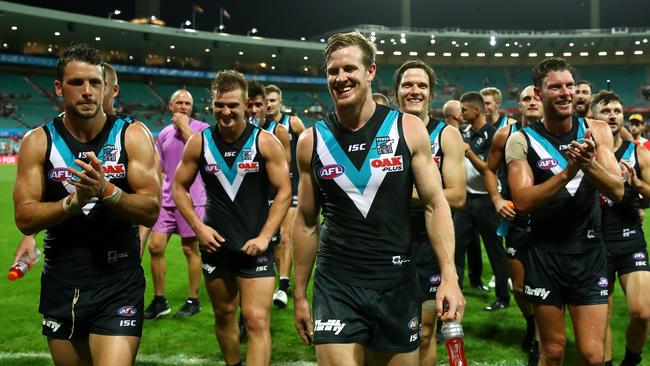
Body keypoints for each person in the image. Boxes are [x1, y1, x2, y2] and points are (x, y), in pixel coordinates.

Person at [292, 32, 464, 366]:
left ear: (370, 71)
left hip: (396, 282)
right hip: (336, 283)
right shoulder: (311, 141)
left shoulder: (408, 130)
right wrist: (299, 293)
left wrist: (449, 275)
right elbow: (306, 222)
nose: (340, 78)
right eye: (332, 71)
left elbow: (435, 203)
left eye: (349, 69)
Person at [12, 43, 161, 366]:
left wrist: (107, 192)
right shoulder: (38, 142)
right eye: (77, 83)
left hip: (119, 281)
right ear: (58, 87)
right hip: (62, 281)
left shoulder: (132, 135)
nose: (87, 91)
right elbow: (24, 218)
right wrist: (72, 202)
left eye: (95, 83)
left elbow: (152, 208)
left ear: (106, 87)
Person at [506, 57, 624, 365]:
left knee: (593, 355)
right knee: (554, 350)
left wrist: (589, 164)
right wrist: (568, 172)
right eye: (555, 87)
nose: (565, 92)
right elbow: (523, 201)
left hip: (589, 254)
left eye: (569, 85)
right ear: (538, 93)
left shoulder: (596, 131)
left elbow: (617, 190)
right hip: (544, 255)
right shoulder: (521, 140)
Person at [173, 70, 291, 366]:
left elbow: (285, 191)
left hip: (256, 247)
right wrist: (198, 228)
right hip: (216, 246)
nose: (225, 111)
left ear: (246, 104)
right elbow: (178, 187)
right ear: (212, 104)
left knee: (256, 320)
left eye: (233, 105)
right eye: (219, 105)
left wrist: (265, 236)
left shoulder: (264, 142)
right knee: (225, 316)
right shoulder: (199, 143)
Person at [393, 59, 466, 366]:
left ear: (431, 93)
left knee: (424, 331)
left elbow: (458, 195)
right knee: (388, 330)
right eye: (408, 84)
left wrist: (398, 195)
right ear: (396, 92)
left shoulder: (446, 135)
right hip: (387, 242)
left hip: (428, 244)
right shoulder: (382, 133)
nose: (415, 91)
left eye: (421, 85)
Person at [590, 90, 650, 366]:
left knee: (642, 313)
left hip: (630, 240)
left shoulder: (637, 152)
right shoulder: (583, 152)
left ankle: (631, 359)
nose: (613, 115)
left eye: (617, 110)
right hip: (595, 244)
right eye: (606, 111)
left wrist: (637, 185)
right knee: (601, 318)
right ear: (593, 118)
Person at [483, 85, 543, 363]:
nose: (532, 102)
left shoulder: (556, 131)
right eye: (526, 98)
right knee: (519, 287)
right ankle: (531, 322)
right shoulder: (505, 134)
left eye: (536, 98)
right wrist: (496, 199)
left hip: (550, 221)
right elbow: (488, 169)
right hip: (516, 220)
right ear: (518, 105)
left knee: (546, 285)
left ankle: (541, 341)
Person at [143, 89, 209, 320]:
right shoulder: (163, 134)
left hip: (192, 199)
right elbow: (159, 168)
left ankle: (193, 300)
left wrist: (184, 126)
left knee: (190, 249)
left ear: (192, 107)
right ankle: (160, 300)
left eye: (187, 103)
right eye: (179, 103)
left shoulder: (201, 129)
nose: (183, 106)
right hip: (167, 199)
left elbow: (203, 154)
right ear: (170, 106)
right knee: (155, 247)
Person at [456, 91, 511, 311]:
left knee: (495, 250)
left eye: (464, 110)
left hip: (488, 201)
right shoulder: (464, 132)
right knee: (456, 247)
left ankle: (503, 297)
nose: (461, 114)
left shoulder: (493, 135)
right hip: (466, 200)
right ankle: (455, 294)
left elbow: (490, 169)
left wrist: (468, 152)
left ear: (476, 110)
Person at [264, 84, 306, 308]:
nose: (269, 104)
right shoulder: (259, 129)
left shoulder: (293, 123)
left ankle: (282, 286)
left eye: (273, 100)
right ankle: (276, 277)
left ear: (280, 102)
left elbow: (309, 145)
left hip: (292, 186)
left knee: (285, 235)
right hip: (268, 189)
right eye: (266, 101)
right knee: (273, 239)